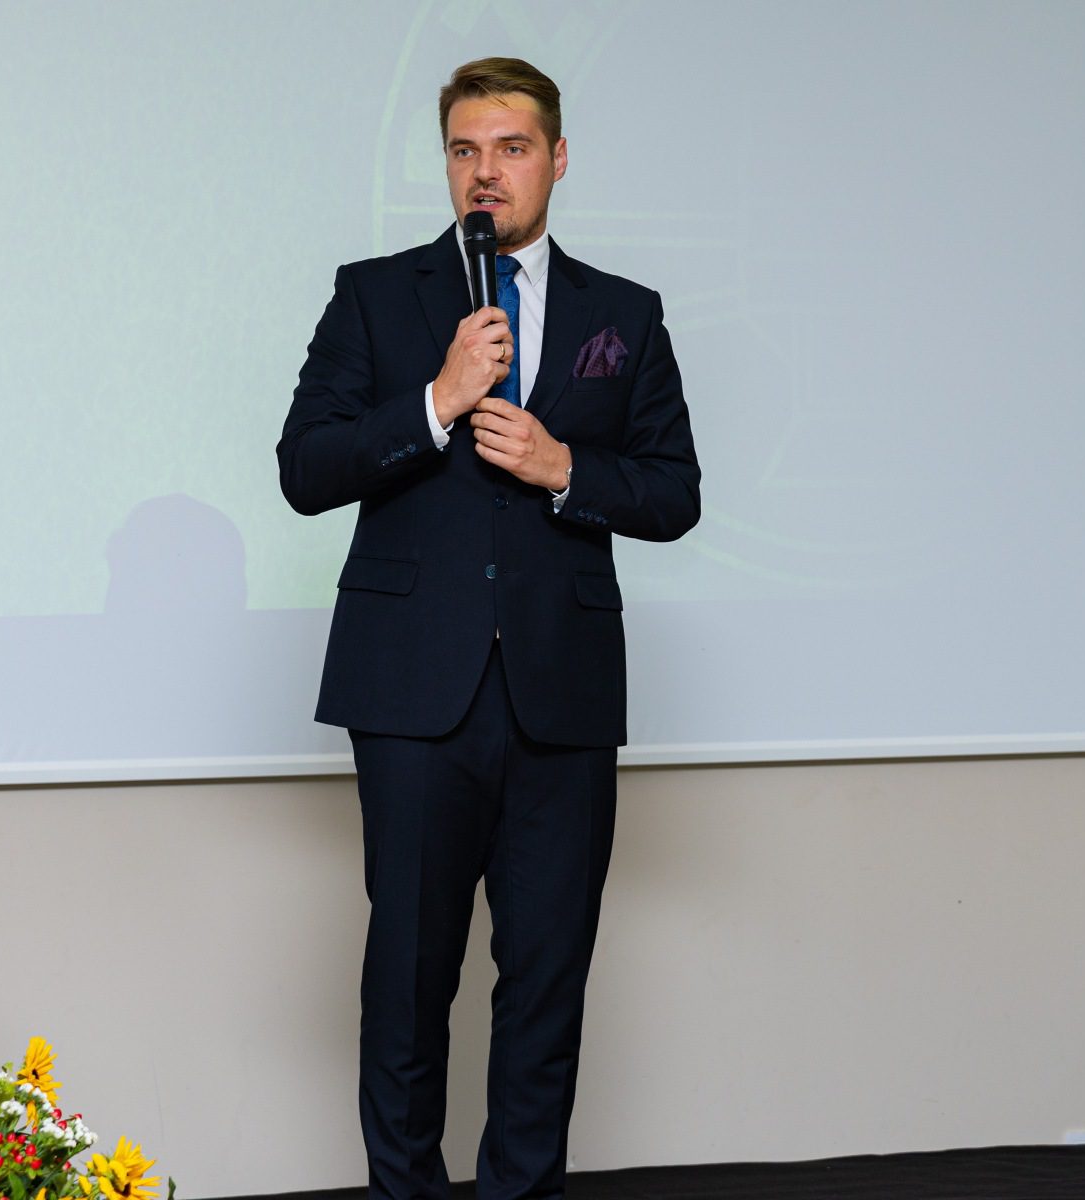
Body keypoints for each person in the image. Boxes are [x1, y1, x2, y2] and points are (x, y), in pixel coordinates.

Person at [277, 57, 701, 1200]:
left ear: (555, 159)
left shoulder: (624, 314)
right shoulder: (375, 296)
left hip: (562, 695)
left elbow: (674, 492)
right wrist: (435, 402)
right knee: (409, 981)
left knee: (547, 981)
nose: (485, 172)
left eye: (510, 149)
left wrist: (569, 470)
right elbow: (305, 469)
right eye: (465, 150)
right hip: (413, 695)